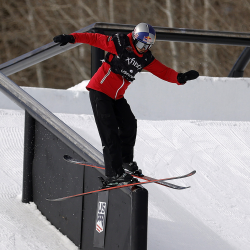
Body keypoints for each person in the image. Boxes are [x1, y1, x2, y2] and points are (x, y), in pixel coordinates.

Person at [53, 23, 199, 187]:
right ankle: (114, 174)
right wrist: (72, 37)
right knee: (110, 133)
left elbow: (163, 71)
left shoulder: (145, 58)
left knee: (129, 124)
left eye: (148, 45)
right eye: (142, 44)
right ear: (135, 38)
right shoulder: (120, 44)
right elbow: (93, 38)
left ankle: (124, 162)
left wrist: (180, 78)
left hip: (117, 97)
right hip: (100, 91)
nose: (144, 48)